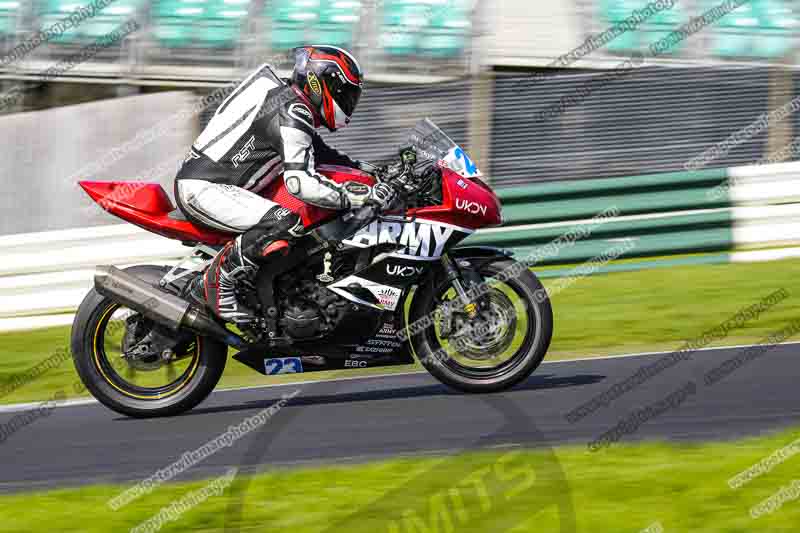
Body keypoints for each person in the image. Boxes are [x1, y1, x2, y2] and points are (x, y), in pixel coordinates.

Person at [174, 45, 397, 324]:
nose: (349, 101)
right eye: (344, 93)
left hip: (223, 187)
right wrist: (357, 199)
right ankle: (216, 284)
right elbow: (300, 182)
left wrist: (376, 173)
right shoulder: (291, 112)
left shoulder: (292, 104)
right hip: (206, 189)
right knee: (284, 220)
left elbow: (325, 155)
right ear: (319, 83)